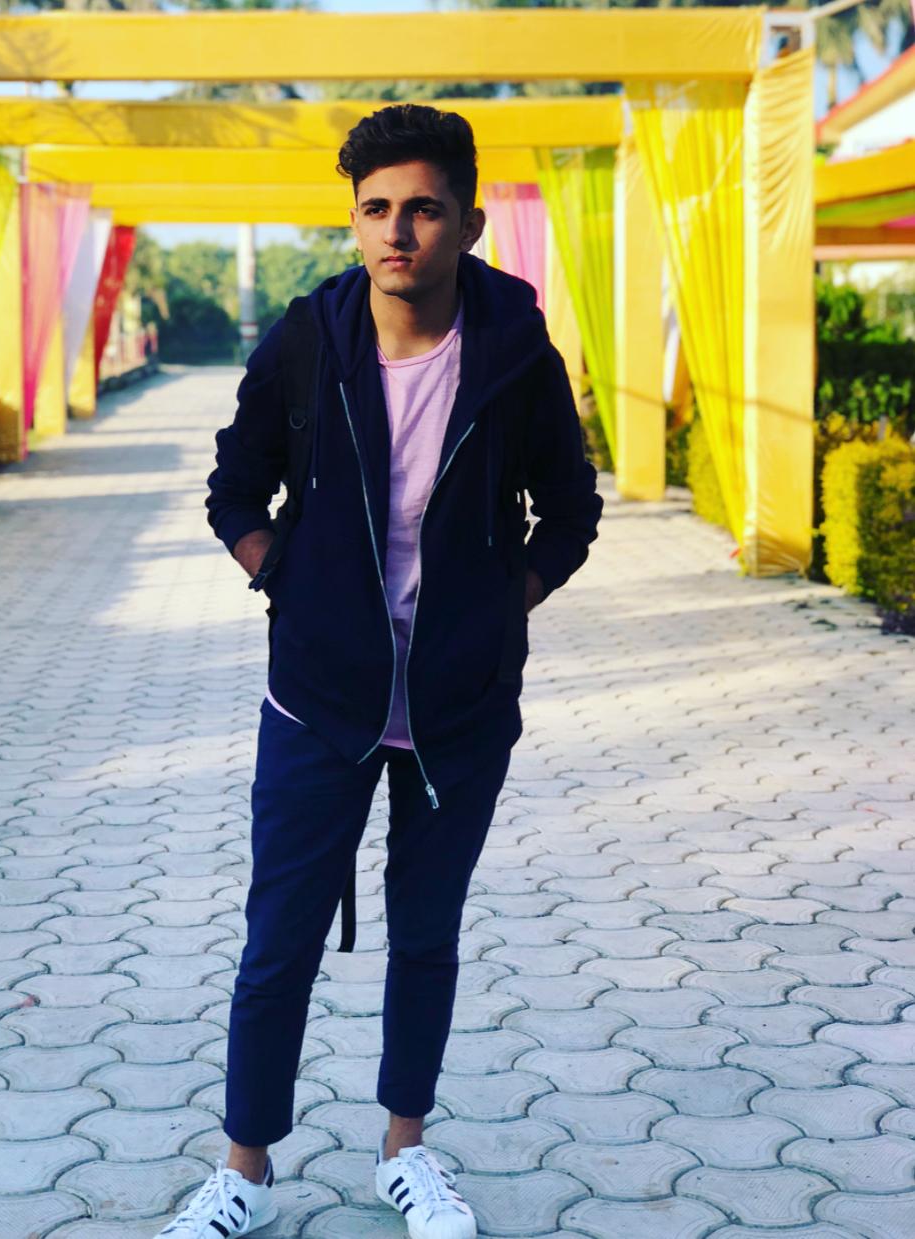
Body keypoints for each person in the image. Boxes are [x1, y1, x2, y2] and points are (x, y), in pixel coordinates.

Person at [158, 103, 602, 1239]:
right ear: (354, 221)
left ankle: (406, 1150)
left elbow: (570, 510)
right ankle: (244, 1171)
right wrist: (288, 582)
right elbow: (233, 487)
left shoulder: (514, 352)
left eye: (423, 210)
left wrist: (497, 610)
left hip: (461, 702)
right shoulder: (310, 341)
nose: (397, 231)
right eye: (375, 210)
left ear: (468, 224)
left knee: (426, 932)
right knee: (278, 941)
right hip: (317, 697)